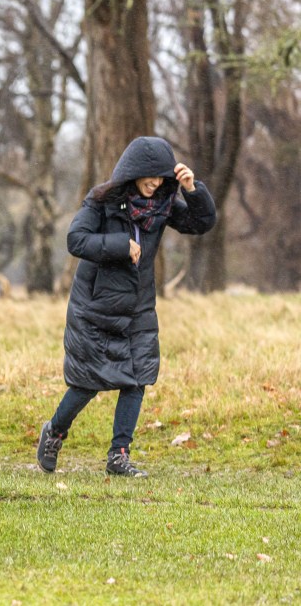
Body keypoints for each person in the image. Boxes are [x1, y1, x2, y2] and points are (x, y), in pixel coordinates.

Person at [37, 136, 216, 477]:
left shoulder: (162, 205)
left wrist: (193, 190)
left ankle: (119, 455)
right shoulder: (101, 201)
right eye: (151, 175)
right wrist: (122, 245)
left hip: (137, 307)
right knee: (88, 382)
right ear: (132, 172)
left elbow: (201, 223)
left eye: (163, 176)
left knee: (136, 379)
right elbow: (75, 240)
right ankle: (55, 432)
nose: (157, 182)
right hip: (96, 308)